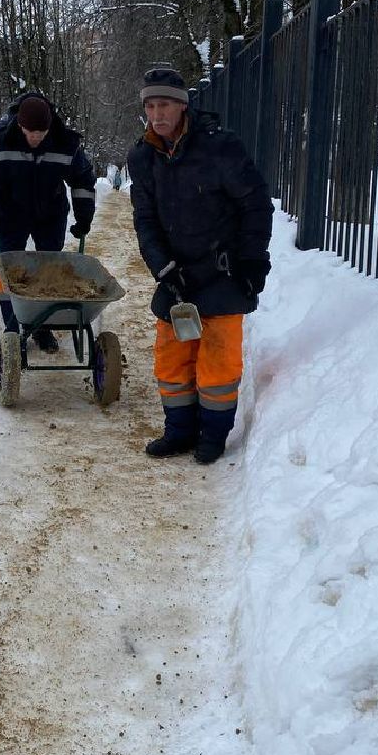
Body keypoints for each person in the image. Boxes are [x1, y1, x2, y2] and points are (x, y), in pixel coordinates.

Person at [127, 67, 273, 463]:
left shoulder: (220, 148)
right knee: (172, 358)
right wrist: (162, 267)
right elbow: (145, 219)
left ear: (182, 106)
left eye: (166, 105)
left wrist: (252, 260)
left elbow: (255, 204)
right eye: (151, 105)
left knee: (218, 361)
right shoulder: (142, 157)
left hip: (222, 272)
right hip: (175, 275)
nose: (157, 114)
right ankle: (178, 432)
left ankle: (212, 436)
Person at [0, 91, 98, 352]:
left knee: (47, 271)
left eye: (41, 133)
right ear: (19, 125)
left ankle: (41, 327)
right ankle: (13, 330)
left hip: (50, 213)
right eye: (30, 132)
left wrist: (84, 217)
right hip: (7, 213)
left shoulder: (65, 142)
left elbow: (83, 180)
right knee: (10, 273)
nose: (36, 138)